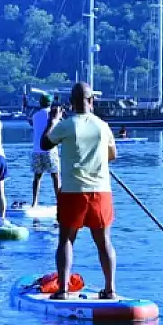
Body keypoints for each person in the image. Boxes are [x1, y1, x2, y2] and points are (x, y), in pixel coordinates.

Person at [41, 81, 119, 299]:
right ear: (91, 101)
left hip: (73, 191)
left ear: (71, 102)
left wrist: (52, 121)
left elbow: (45, 144)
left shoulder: (66, 125)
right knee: (104, 242)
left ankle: (63, 290)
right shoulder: (103, 126)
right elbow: (112, 155)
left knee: (66, 240)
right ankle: (110, 290)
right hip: (101, 191)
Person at [26, 93, 60, 207]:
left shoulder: (35, 115)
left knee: (37, 177)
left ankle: (34, 202)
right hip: (50, 150)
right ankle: (59, 201)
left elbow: (32, 123)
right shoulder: (53, 114)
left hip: (36, 150)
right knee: (55, 176)